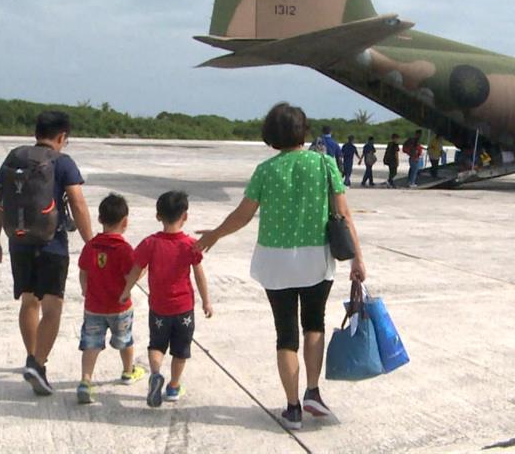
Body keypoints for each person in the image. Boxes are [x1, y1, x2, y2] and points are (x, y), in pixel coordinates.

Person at [196, 102, 366, 431]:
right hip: (316, 258)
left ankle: (292, 409)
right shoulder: (325, 164)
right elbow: (344, 214)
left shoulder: (266, 170)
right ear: (304, 130)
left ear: (271, 134)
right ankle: (313, 392)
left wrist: (215, 234)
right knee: (313, 324)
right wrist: (358, 258)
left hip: (275, 262)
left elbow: (243, 216)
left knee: (285, 334)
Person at [0, 110, 92, 396]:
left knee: (29, 301)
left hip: (19, 242)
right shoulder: (63, 163)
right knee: (53, 306)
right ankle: (38, 362)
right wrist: (91, 242)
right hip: (52, 245)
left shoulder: (14, 158)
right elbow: (79, 205)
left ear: (36, 133)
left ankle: (34, 359)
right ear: (61, 137)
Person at [119, 191, 213, 408]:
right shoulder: (190, 244)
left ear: (158, 216)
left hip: (159, 308)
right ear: (185, 216)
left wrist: (126, 291)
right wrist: (206, 301)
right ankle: (173, 386)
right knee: (181, 351)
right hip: (184, 309)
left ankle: (155, 374)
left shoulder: (150, 243)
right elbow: (199, 275)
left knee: (157, 345)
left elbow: (136, 270)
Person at [75, 193, 147, 404]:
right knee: (125, 340)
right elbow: (130, 276)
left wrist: (84, 288)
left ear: (99, 219)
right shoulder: (124, 249)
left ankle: (86, 381)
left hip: (94, 306)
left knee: (91, 344)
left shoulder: (91, 246)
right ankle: (128, 371)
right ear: (125, 222)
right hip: (119, 307)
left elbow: (83, 270)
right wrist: (143, 271)